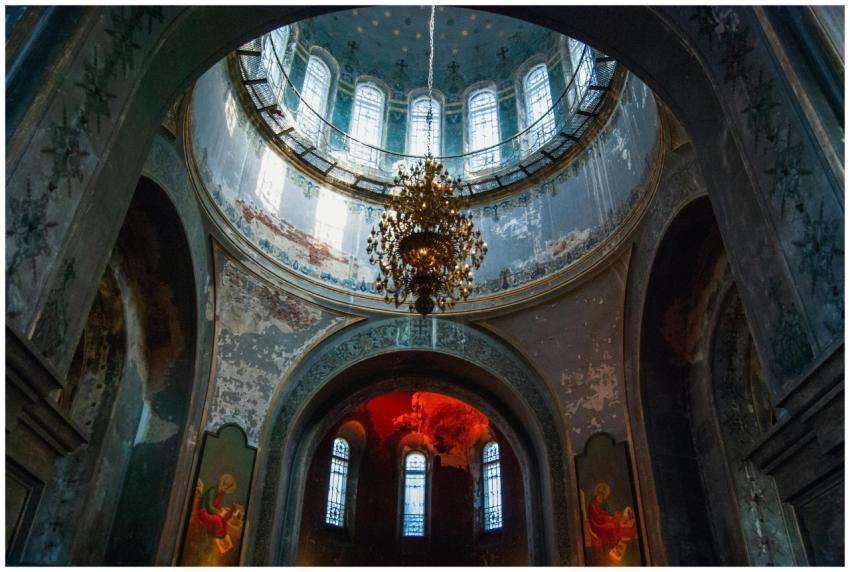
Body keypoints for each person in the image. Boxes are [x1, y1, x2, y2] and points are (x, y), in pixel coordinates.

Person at [197, 473, 238, 539]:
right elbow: (209, 507)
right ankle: (216, 536)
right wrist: (218, 512)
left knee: (224, 518)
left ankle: (222, 535)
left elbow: (216, 504)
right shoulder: (212, 491)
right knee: (218, 520)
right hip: (204, 511)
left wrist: (222, 509)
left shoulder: (221, 492)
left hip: (212, 510)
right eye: (225, 485)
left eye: (227, 487)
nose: (225, 488)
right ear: (222, 483)